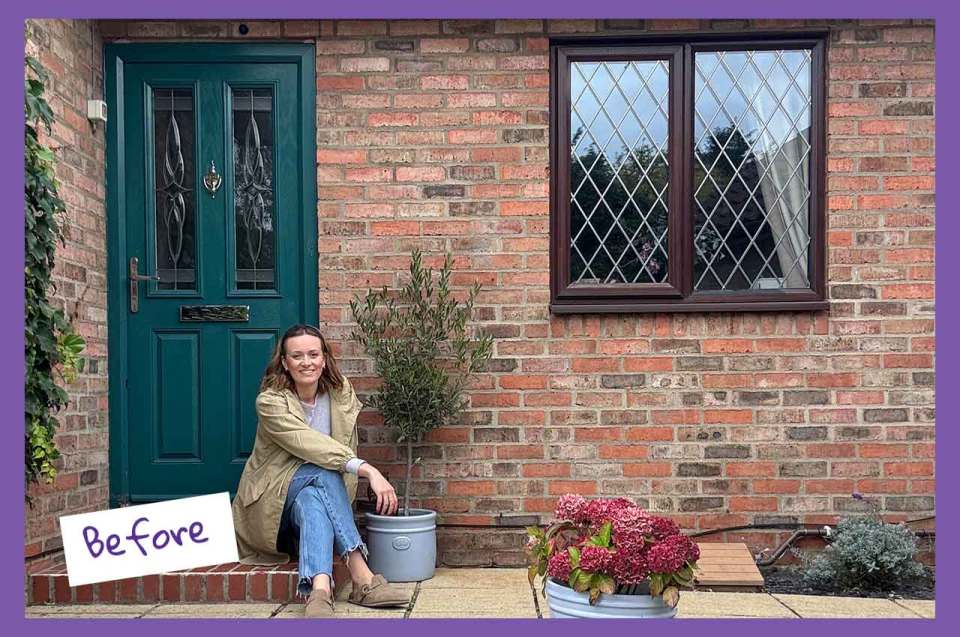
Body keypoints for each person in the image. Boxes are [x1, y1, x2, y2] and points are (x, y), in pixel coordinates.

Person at [232, 324, 408, 617]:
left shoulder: (340, 393)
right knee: (322, 471)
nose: (306, 362)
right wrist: (367, 470)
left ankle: (320, 591)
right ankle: (362, 577)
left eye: (313, 354)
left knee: (313, 499)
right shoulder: (270, 402)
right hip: (272, 505)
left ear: (324, 358)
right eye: (297, 356)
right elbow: (308, 444)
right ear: (285, 363)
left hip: (314, 506)